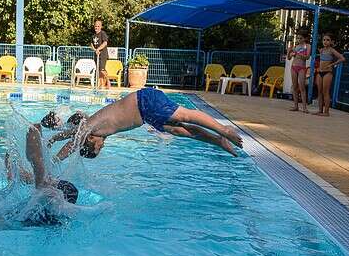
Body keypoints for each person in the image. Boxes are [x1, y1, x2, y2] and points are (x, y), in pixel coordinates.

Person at [48, 88, 243, 160]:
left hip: (144, 102)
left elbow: (72, 144)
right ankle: (218, 141)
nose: (103, 145)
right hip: (146, 115)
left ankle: (224, 130)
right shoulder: (91, 130)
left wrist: (54, 162)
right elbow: (70, 134)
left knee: (185, 116)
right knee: (182, 131)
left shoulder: (92, 127)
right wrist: (52, 139)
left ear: (90, 140)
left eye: (99, 148)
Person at [314, 33, 345, 117]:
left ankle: (326, 112)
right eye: (324, 40)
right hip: (320, 72)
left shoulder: (332, 50)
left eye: (328, 40)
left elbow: (342, 58)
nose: (325, 41)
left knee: (325, 92)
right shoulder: (321, 50)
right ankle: (320, 110)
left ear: (331, 42)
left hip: (327, 73)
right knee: (319, 92)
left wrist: (332, 64)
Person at [287, 30, 311, 113]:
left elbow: (307, 57)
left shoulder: (307, 46)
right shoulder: (295, 46)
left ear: (305, 38)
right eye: (298, 38)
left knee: (302, 87)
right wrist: (289, 51)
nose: (299, 40)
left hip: (301, 68)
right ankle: (295, 106)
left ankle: (304, 107)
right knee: (294, 87)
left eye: (301, 38)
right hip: (294, 67)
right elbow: (289, 58)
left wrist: (298, 53)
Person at [91, 19, 111, 89]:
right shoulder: (93, 36)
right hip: (96, 54)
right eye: (95, 26)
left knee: (102, 70)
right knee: (98, 70)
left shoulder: (103, 33)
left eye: (98, 26)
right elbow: (91, 44)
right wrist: (95, 50)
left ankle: (108, 82)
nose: (96, 27)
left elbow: (105, 43)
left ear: (101, 27)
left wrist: (98, 49)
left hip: (102, 54)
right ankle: (101, 84)